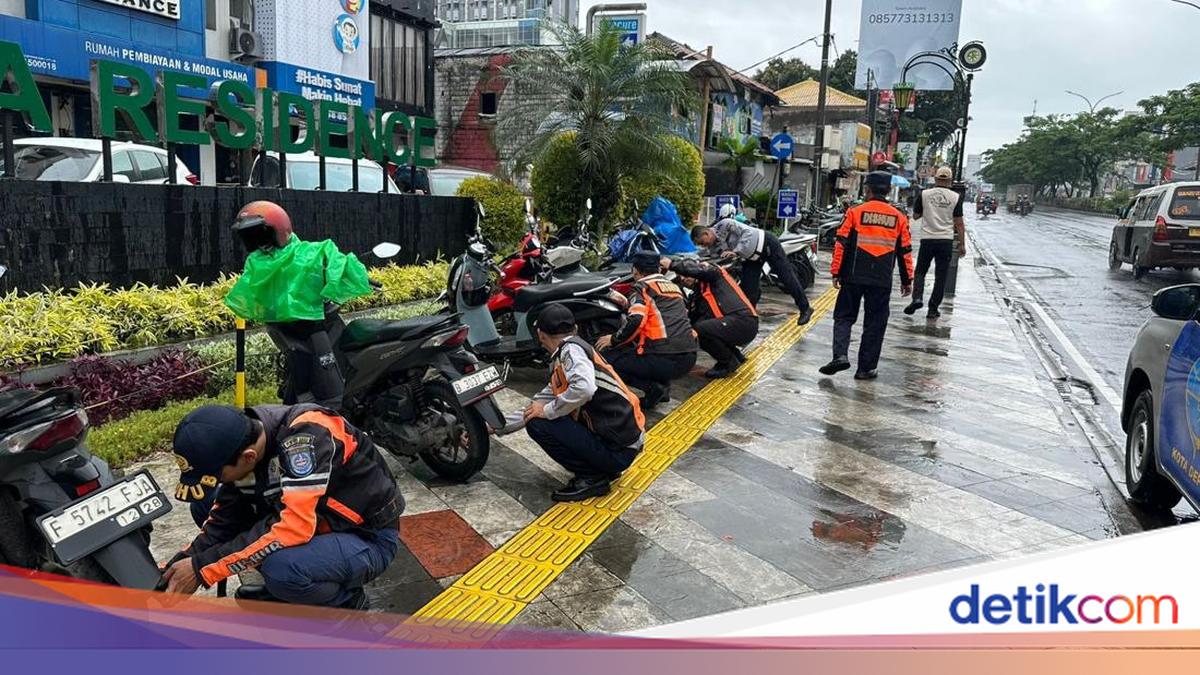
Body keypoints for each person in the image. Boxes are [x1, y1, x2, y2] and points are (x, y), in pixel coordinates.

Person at [159, 404, 404, 610]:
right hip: (319, 524)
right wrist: (183, 561)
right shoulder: (246, 435)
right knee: (205, 507)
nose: (220, 482)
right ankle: (291, 590)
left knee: (283, 569)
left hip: (366, 537)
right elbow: (224, 520)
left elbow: (294, 528)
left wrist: (202, 570)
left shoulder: (307, 437)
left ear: (248, 457)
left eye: (218, 475)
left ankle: (346, 603)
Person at [224, 201, 373, 409]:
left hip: (296, 329)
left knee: (322, 382)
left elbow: (336, 262)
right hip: (306, 329)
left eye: (260, 234)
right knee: (327, 388)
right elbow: (339, 262)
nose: (257, 241)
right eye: (251, 236)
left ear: (278, 230)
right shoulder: (272, 259)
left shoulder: (303, 254)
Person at [522, 304, 646, 502]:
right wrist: (492, 427)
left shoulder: (571, 352)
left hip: (620, 450)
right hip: (626, 442)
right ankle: (602, 468)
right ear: (576, 328)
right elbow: (536, 405)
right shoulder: (575, 351)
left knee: (539, 423)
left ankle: (592, 477)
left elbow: (584, 389)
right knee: (540, 414)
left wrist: (549, 411)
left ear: (540, 335)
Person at [820, 171, 914, 380]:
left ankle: (840, 355)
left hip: (853, 276)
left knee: (844, 317)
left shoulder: (855, 212)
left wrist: (836, 271)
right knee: (875, 323)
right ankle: (866, 368)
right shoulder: (898, 217)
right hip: (881, 280)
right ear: (888, 190)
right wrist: (908, 280)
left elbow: (841, 243)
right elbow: (905, 251)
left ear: (867, 189)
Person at [595, 253, 698, 409]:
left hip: (665, 358)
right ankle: (661, 385)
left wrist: (613, 339)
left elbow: (636, 319)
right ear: (658, 268)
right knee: (637, 350)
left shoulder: (642, 287)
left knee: (605, 358)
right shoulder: (673, 286)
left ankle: (652, 387)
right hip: (690, 356)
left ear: (635, 270)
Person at [691, 204, 814, 326]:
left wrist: (735, 251)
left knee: (787, 278)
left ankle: (805, 308)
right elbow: (711, 257)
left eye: (703, 242)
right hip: (751, 258)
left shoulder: (725, 224)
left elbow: (746, 233)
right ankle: (749, 321)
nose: (704, 245)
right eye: (701, 245)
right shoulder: (713, 247)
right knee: (748, 289)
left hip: (766, 244)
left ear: (707, 233)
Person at [663, 256, 758, 379]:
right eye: (681, 277)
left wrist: (671, 264)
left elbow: (700, 270)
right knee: (698, 329)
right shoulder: (699, 294)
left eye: (685, 275)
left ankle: (728, 362)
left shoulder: (714, 274)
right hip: (737, 325)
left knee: (701, 329)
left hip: (743, 322)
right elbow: (691, 320)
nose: (683, 279)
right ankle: (736, 356)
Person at [904, 166, 966, 320]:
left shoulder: (924, 194)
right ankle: (933, 309)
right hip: (945, 240)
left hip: (927, 239)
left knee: (920, 272)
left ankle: (917, 298)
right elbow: (959, 223)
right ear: (950, 181)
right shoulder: (955, 197)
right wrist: (962, 244)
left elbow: (916, 215)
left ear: (936, 179)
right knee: (941, 276)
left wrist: (929, 210)